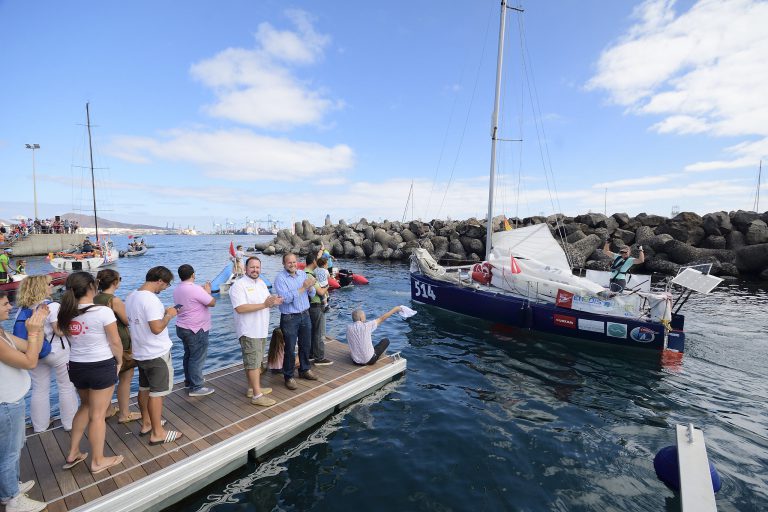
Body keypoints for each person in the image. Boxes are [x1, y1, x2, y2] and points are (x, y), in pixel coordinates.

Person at [57, 272, 124, 475]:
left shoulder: (66, 310)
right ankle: (97, 460)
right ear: (91, 287)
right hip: (100, 365)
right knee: (97, 414)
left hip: (77, 366)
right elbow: (115, 342)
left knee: (85, 406)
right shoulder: (102, 312)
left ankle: (73, 452)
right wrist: (120, 361)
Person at [0, 290, 48, 512]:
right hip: (6, 403)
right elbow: (30, 363)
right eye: (4, 304)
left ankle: (9, 488)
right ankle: (12, 500)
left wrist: (36, 330)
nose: (9, 307)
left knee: (14, 447)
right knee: (8, 453)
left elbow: (32, 351)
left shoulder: (2, 333)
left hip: (12, 400)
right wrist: (32, 332)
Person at [125, 266, 183, 445]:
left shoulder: (131, 296)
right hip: (156, 353)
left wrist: (162, 314)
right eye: (165, 285)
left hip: (141, 352)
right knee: (157, 393)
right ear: (159, 281)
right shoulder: (151, 300)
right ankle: (158, 433)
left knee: (144, 389)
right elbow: (156, 328)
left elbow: (138, 321)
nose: (165, 288)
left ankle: (147, 423)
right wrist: (169, 315)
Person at [16, 275, 78, 433]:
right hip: (56, 351)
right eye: (49, 284)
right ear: (41, 288)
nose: (52, 286)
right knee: (66, 386)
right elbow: (59, 331)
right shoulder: (52, 306)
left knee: (39, 389)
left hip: (33, 353)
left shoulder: (21, 310)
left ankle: (40, 426)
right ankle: (70, 423)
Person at [230, 257, 282, 406]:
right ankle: (257, 396)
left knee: (255, 362)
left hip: (261, 329)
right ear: (245, 268)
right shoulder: (239, 286)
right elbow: (240, 308)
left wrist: (274, 301)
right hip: (248, 330)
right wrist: (265, 304)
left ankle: (252, 389)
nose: (255, 270)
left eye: (257, 267)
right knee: (253, 364)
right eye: (252, 267)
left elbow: (266, 302)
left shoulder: (261, 283)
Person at [94, 269, 141, 424]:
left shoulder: (94, 298)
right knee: (125, 378)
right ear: (115, 282)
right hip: (120, 341)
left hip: (102, 342)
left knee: (107, 379)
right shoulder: (113, 300)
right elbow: (127, 320)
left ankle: (107, 410)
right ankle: (125, 413)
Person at [273, 252, 318, 390]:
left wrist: (310, 287)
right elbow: (285, 298)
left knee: (306, 345)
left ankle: (304, 369)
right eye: (289, 262)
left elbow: (312, 294)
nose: (292, 265)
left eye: (294, 262)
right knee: (290, 348)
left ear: (297, 262)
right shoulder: (280, 278)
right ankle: (289, 376)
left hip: (305, 314)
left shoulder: (303, 274)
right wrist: (303, 287)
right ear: (284, 264)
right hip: (289, 318)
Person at [173, 264, 216, 397]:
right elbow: (212, 302)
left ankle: (189, 381)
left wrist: (202, 292)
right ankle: (196, 386)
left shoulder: (177, 289)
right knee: (197, 357)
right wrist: (207, 292)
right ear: (193, 275)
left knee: (188, 355)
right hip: (196, 328)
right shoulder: (195, 289)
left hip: (182, 326)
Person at [304, 252, 332, 366]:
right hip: (316, 306)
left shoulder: (303, 273)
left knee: (311, 332)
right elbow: (320, 291)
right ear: (314, 261)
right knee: (319, 333)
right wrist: (327, 286)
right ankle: (319, 358)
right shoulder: (309, 275)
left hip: (309, 306)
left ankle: (311, 354)